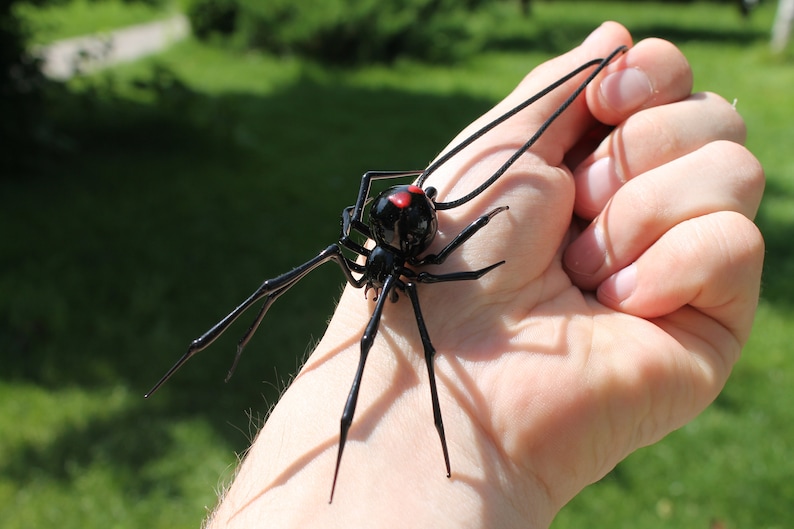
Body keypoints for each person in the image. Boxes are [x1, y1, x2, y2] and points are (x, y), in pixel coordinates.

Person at [205, 22, 764, 528]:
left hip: (408, 219)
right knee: (312, 296)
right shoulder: (389, 264)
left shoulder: (398, 262)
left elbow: (433, 271)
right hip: (404, 220)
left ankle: (410, 454)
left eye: (376, 284)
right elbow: (417, 252)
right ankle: (398, 457)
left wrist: (471, 226)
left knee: (385, 328)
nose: (373, 292)